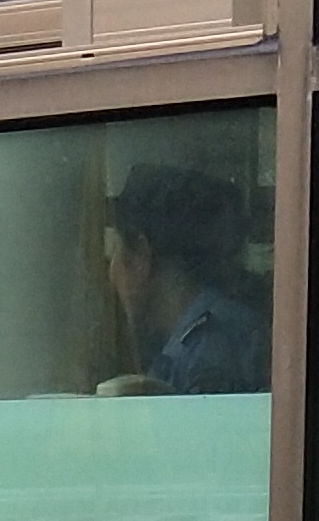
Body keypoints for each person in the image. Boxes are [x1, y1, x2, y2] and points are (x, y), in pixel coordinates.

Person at [101, 163, 265, 395]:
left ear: (139, 255)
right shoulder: (204, 340)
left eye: (113, 253)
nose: (112, 272)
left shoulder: (208, 349)